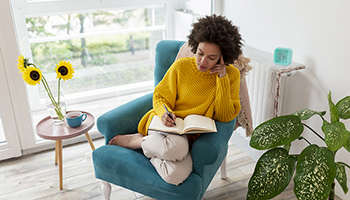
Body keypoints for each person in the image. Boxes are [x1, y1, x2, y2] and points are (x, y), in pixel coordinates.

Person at [108, 14, 242, 185]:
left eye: (212, 58)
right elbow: (160, 96)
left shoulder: (231, 75)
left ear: (223, 57)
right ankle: (135, 141)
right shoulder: (181, 67)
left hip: (190, 135)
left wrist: (221, 78)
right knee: (176, 148)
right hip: (166, 125)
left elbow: (225, 116)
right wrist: (164, 113)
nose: (202, 61)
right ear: (195, 45)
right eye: (200, 53)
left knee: (175, 176)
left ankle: (148, 147)